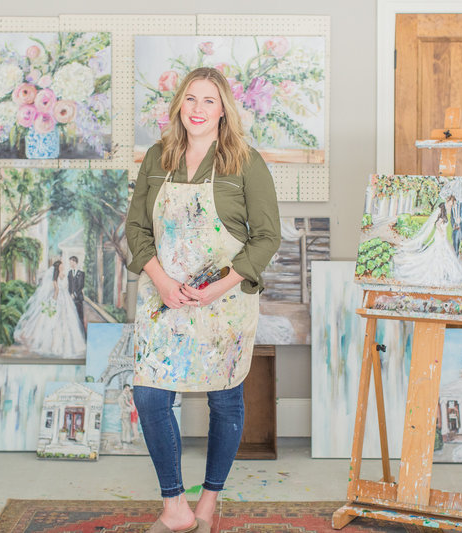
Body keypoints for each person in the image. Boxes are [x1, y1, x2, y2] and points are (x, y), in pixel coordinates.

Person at [126, 67, 280, 533]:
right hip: (164, 296)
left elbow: (267, 236)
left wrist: (217, 286)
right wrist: (161, 280)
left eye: (208, 101)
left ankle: (207, 505)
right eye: (190, 99)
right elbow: (136, 229)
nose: (197, 109)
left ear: (223, 109)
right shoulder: (158, 157)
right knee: (150, 394)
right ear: (179, 105)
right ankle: (174, 507)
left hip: (223, 301)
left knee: (226, 401)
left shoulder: (245, 162)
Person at [13, 259, 86, 358]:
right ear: (58, 267)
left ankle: (71, 345)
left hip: (66, 299)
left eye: (63, 265)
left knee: (68, 321)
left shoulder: (65, 274)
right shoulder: (55, 278)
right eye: (61, 265)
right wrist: (54, 302)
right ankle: (55, 346)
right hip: (59, 299)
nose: (63, 266)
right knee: (56, 321)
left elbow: (68, 287)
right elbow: (56, 290)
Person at [392, 204, 462, 287]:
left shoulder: (444, 216)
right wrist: (441, 232)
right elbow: (438, 224)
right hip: (440, 236)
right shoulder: (441, 217)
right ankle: (439, 274)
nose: (449, 207)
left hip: (442, 236)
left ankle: (442, 273)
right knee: (439, 253)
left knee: (443, 253)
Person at [67, 256, 86, 335]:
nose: (71, 264)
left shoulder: (81, 273)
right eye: (70, 262)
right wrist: (70, 294)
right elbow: (69, 286)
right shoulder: (69, 273)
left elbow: (81, 286)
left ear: (75, 262)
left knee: (80, 316)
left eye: (71, 262)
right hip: (70, 298)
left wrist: (74, 294)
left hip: (78, 298)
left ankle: (82, 333)